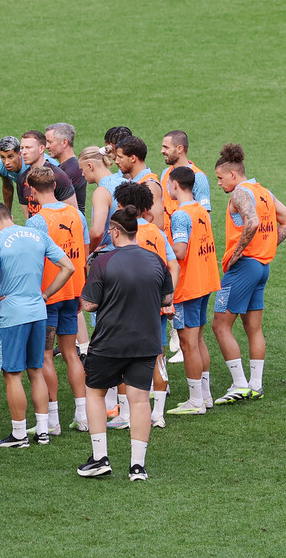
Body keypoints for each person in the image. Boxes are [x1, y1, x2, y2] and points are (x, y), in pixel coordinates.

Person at [76, 207, 173, 481]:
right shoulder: (155, 260)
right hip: (146, 341)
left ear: (115, 231)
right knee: (140, 399)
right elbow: (167, 299)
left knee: (95, 392)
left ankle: (99, 458)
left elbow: (89, 303)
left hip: (109, 341)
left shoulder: (103, 262)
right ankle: (137, 467)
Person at [0, 203, 74, 447]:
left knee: (12, 374)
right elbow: (69, 267)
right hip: (38, 312)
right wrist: (45, 295)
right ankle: (43, 430)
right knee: (36, 370)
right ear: (11, 217)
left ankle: (19, 434)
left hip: (13, 315)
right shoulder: (38, 235)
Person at [212, 144, 286, 404]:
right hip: (262, 267)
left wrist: (238, 252)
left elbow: (252, 222)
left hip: (244, 267)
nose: (218, 184)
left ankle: (239, 384)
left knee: (219, 325)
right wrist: (267, 246)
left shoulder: (240, 193)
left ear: (233, 175)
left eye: (220, 178)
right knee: (253, 327)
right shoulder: (263, 192)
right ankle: (255, 385)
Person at [24, 167, 89, 433]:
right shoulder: (76, 214)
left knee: (46, 355)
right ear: (55, 185)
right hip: (73, 291)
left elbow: (31, 262)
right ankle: (83, 415)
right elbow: (84, 250)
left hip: (48, 295)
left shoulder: (36, 221)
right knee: (72, 353)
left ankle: (52, 420)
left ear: (31, 189)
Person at [112, 181, 180, 428]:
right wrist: (167, 296)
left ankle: (126, 416)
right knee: (158, 356)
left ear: (122, 203)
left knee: (122, 356)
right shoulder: (156, 231)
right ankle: (158, 415)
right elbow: (174, 265)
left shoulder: (122, 231)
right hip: (156, 304)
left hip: (129, 306)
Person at [165, 167, 221, 416]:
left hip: (187, 286)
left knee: (188, 344)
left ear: (175, 184)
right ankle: (205, 396)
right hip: (205, 281)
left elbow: (179, 252)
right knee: (197, 340)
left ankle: (196, 400)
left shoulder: (180, 215)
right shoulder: (200, 210)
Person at [159, 130, 212, 235]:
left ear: (180, 149)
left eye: (166, 147)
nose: (162, 151)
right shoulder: (165, 173)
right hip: (169, 244)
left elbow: (204, 216)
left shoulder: (198, 176)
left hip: (186, 243)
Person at [16, 130, 77, 220]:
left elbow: (73, 213)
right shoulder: (22, 179)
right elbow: (28, 216)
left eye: (28, 148)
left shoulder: (58, 176)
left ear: (41, 149)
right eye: (22, 148)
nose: (24, 152)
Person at [0, 136, 59, 213]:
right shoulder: (1, 167)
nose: (6, 162)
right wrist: (7, 213)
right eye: (3, 157)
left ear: (19, 154)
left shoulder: (34, 165)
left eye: (10, 157)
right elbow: (7, 188)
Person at [78, 146, 124, 253]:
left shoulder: (102, 192)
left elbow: (97, 232)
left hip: (109, 255)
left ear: (90, 166)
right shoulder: (125, 181)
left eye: (82, 169)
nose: (82, 174)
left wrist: (87, 252)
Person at [114, 135, 164, 227]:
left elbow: (157, 225)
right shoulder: (132, 181)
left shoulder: (150, 185)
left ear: (133, 158)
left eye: (120, 157)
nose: (116, 161)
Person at [45, 123, 87, 214]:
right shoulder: (70, 166)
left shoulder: (71, 170)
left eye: (50, 142)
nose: (46, 146)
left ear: (64, 142)